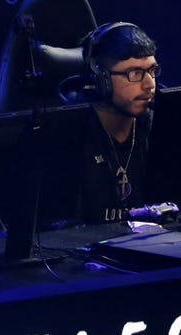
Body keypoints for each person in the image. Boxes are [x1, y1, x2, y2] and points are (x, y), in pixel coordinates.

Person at [68, 22, 161, 224]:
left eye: (152, 71)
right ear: (101, 79)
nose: (150, 85)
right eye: (135, 73)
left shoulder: (159, 127)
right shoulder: (69, 135)